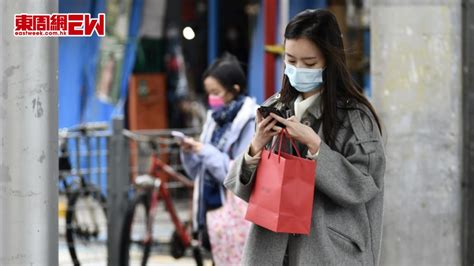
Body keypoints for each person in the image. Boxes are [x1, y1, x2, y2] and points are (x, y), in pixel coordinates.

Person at [224, 9, 386, 266]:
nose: (298, 69)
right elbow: (243, 190)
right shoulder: (276, 106)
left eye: (309, 63)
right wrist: (256, 146)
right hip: (272, 251)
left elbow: (364, 187)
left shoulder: (355, 117)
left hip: (329, 252)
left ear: (330, 61)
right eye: (290, 60)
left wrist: (316, 147)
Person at [179, 53, 256, 264]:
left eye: (216, 92)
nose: (211, 98)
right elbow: (198, 173)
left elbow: (237, 174)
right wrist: (188, 152)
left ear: (235, 90)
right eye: (208, 93)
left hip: (236, 218)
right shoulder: (214, 119)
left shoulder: (250, 122)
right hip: (212, 215)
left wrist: (204, 150)